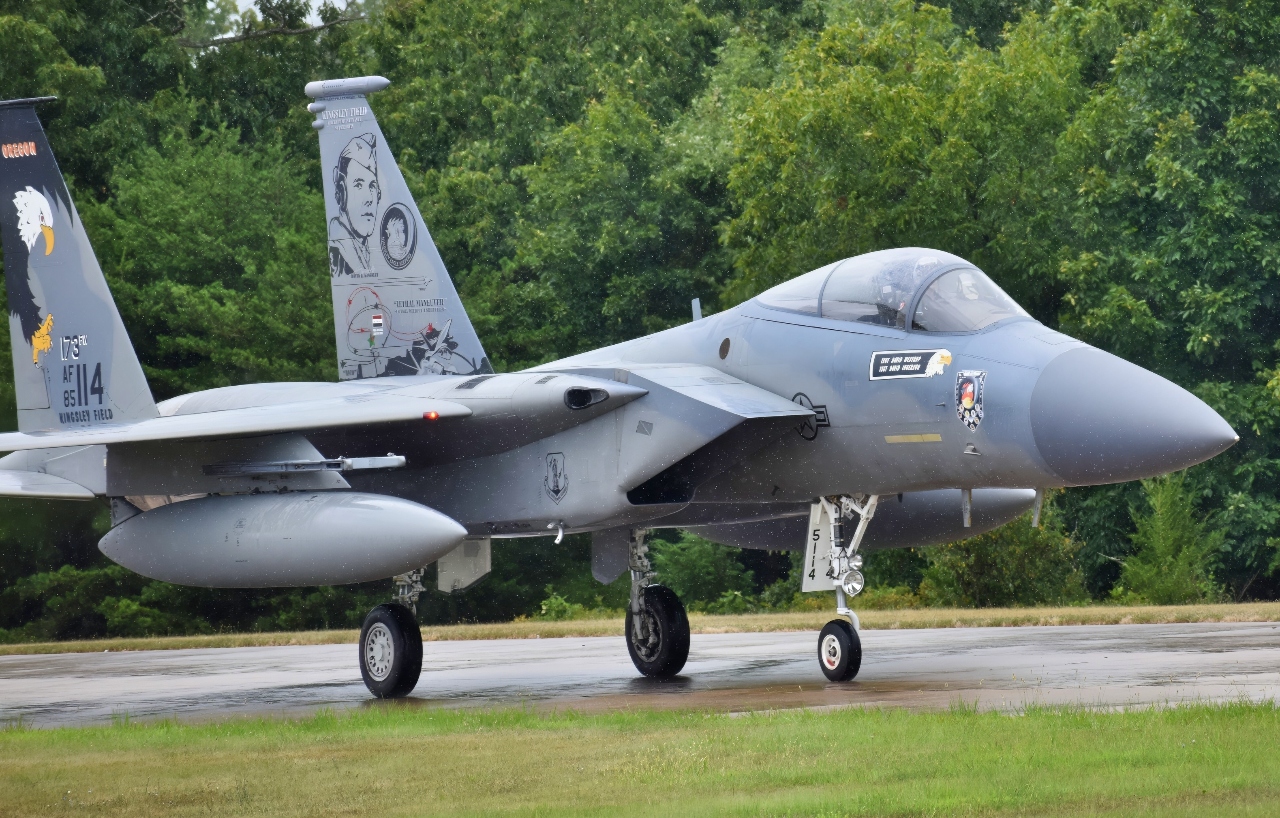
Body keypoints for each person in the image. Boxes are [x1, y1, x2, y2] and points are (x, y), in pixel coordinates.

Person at [329, 133, 381, 278]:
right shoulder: (339, 257)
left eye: (372, 186)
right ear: (342, 192)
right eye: (358, 185)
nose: (369, 198)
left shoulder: (366, 253)